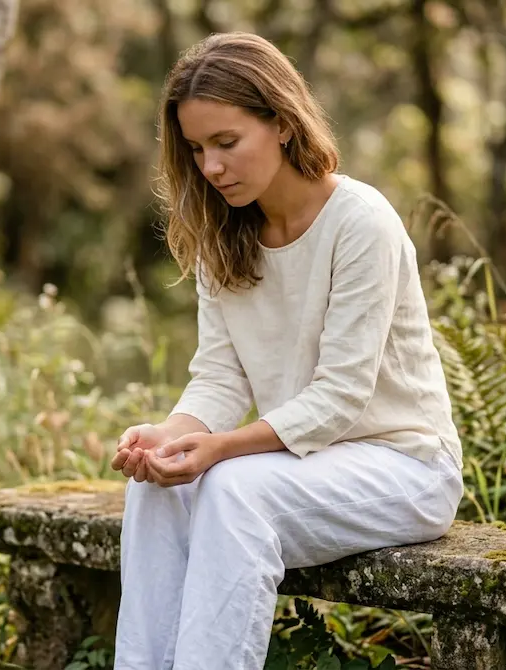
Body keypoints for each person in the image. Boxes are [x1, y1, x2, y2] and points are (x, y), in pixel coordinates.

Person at [108, 31, 464, 670]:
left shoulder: (360, 221)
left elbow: (340, 396)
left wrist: (219, 448)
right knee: (157, 490)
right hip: (302, 468)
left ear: (281, 123)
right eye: (195, 149)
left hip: (404, 467)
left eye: (226, 142)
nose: (211, 167)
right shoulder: (224, 235)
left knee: (234, 489)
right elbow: (219, 377)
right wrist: (169, 435)